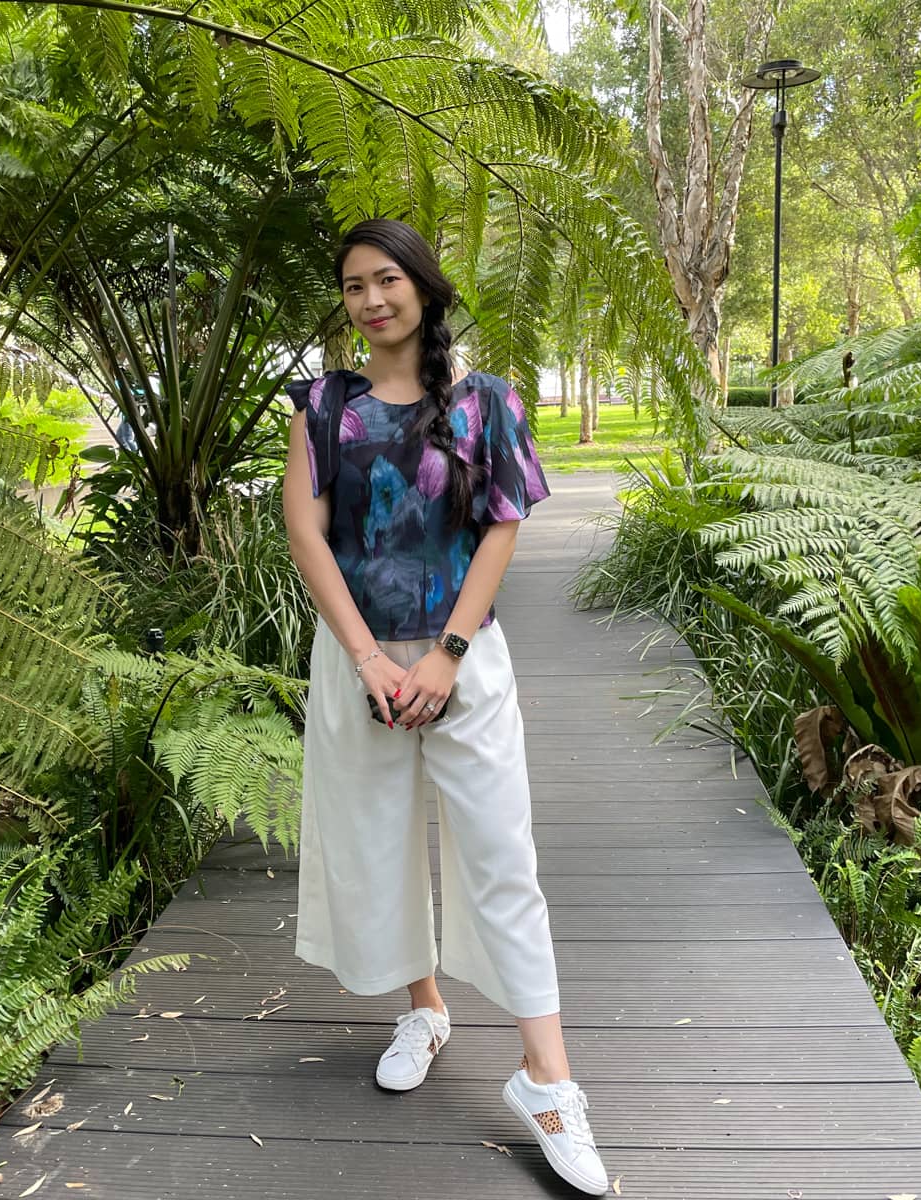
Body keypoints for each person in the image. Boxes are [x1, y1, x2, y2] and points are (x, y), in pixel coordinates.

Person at [280, 217, 610, 1196]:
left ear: (423, 287)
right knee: (379, 845)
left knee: (502, 858)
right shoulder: (322, 407)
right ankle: (423, 1009)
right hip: (360, 665)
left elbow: (502, 527)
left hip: (464, 664)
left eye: (387, 280)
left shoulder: (483, 403)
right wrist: (366, 659)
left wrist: (447, 656)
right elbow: (306, 531)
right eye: (352, 287)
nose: (371, 300)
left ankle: (547, 1082)